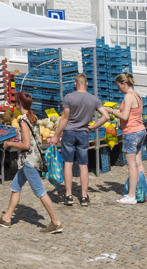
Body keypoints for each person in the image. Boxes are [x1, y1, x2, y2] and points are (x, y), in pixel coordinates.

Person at [0, 91, 63, 233]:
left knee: (39, 191)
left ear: (19, 104)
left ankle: (56, 222)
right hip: (29, 160)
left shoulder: (23, 121)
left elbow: (25, 145)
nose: (14, 104)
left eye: (16, 101)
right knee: (15, 186)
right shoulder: (33, 117)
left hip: (28, 161)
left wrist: (9, 143)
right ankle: (6, 218)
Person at [47, 73, 111, 206]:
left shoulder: (69, 97)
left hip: (69, 133)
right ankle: (83, 197)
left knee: (68, 164)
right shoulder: (94, 99)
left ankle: (69, 195)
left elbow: (64, 119)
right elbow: (106, 116)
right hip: (83, 133)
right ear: (87, 84)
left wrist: (55, 135)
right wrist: (94, 126)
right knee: (83, 166)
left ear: (75, 84)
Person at [108, 73, 147, 204]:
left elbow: (124, 116)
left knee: (131, 166)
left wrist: (111, 111)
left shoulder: (129, 96)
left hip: (131, 133)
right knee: (139, 163)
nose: (119, 88)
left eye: (119, 86)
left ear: (124, 84)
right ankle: (140, 191)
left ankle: (131, 196)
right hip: (140, 130)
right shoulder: (137, 94)